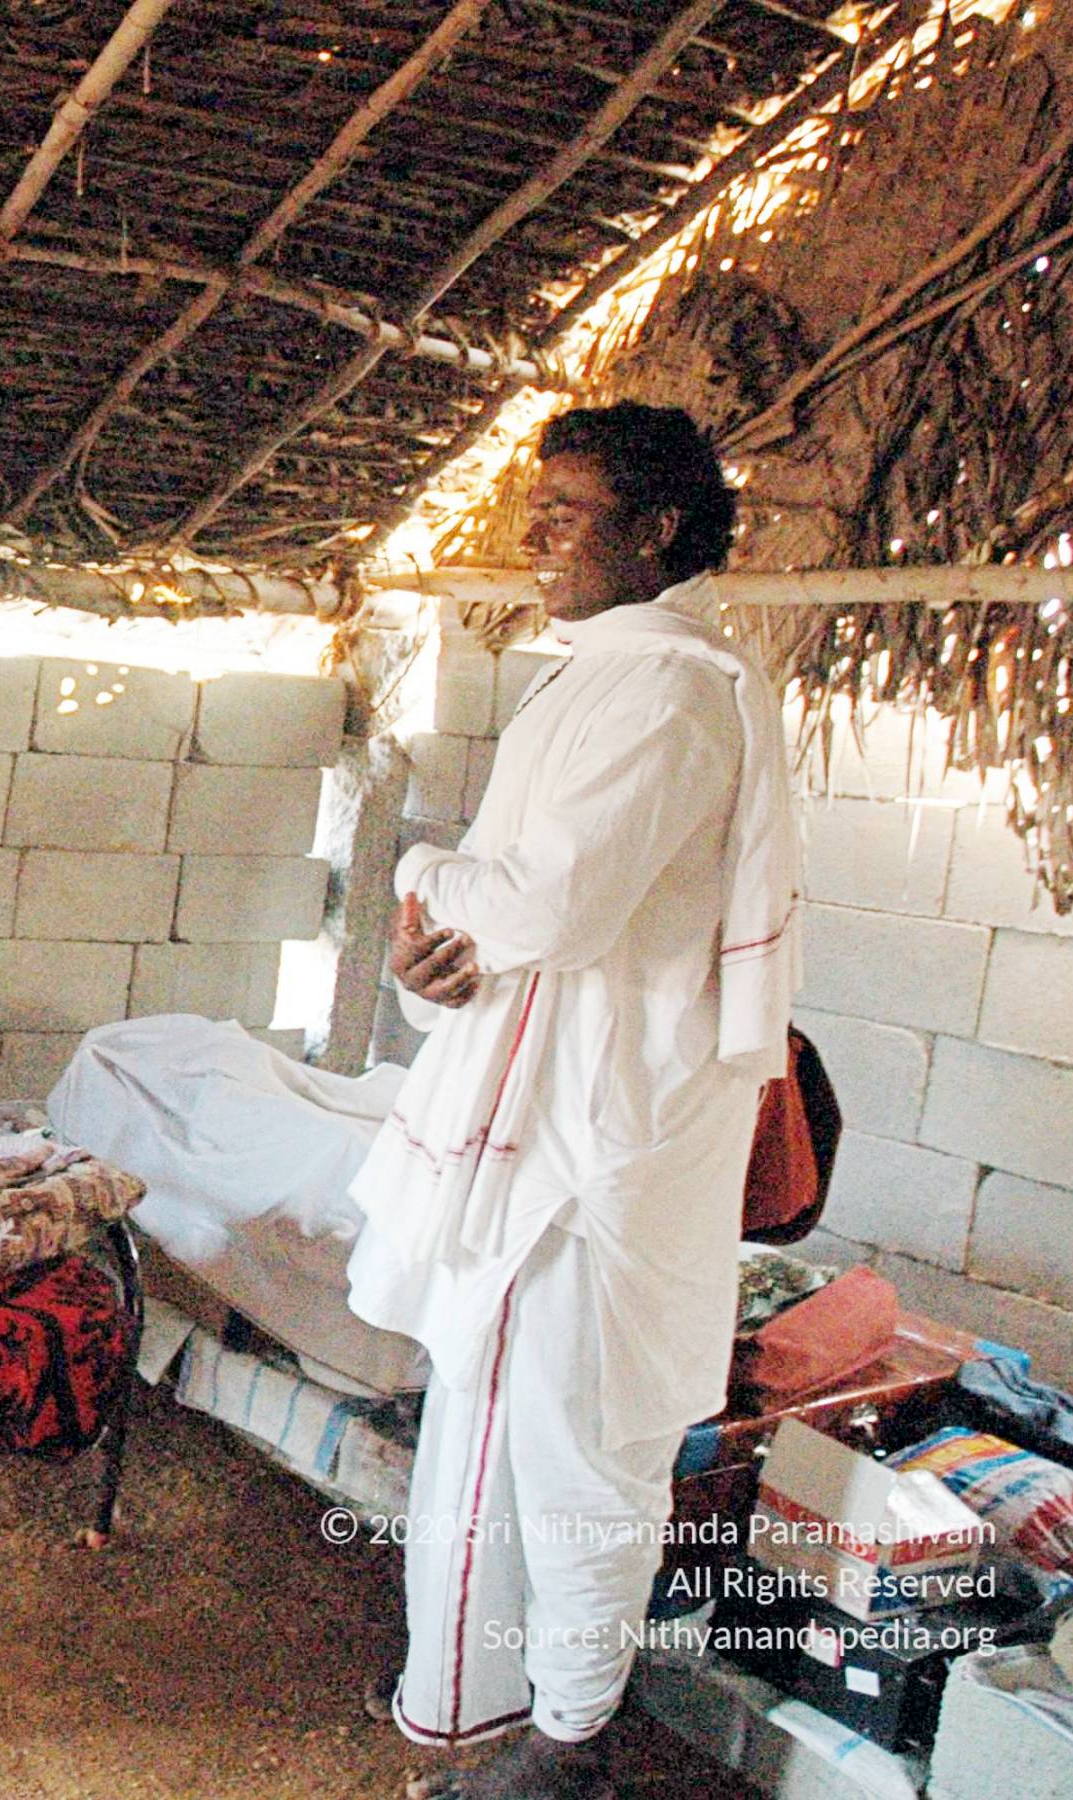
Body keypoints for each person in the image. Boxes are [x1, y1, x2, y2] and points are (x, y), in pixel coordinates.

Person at [346, 403, 803, 1798]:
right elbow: (514, 939)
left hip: (594, 1142)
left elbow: (547, 909)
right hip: (549, 1115)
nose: (532, 535)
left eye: (564, 509)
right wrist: (434, 964)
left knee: (573, 1456)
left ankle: (563, 1744)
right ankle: (491, 1707)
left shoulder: (669, 689)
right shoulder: (604, 675)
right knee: (503, 1439)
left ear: (656, 527)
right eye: (531, 509)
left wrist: (420, 880)